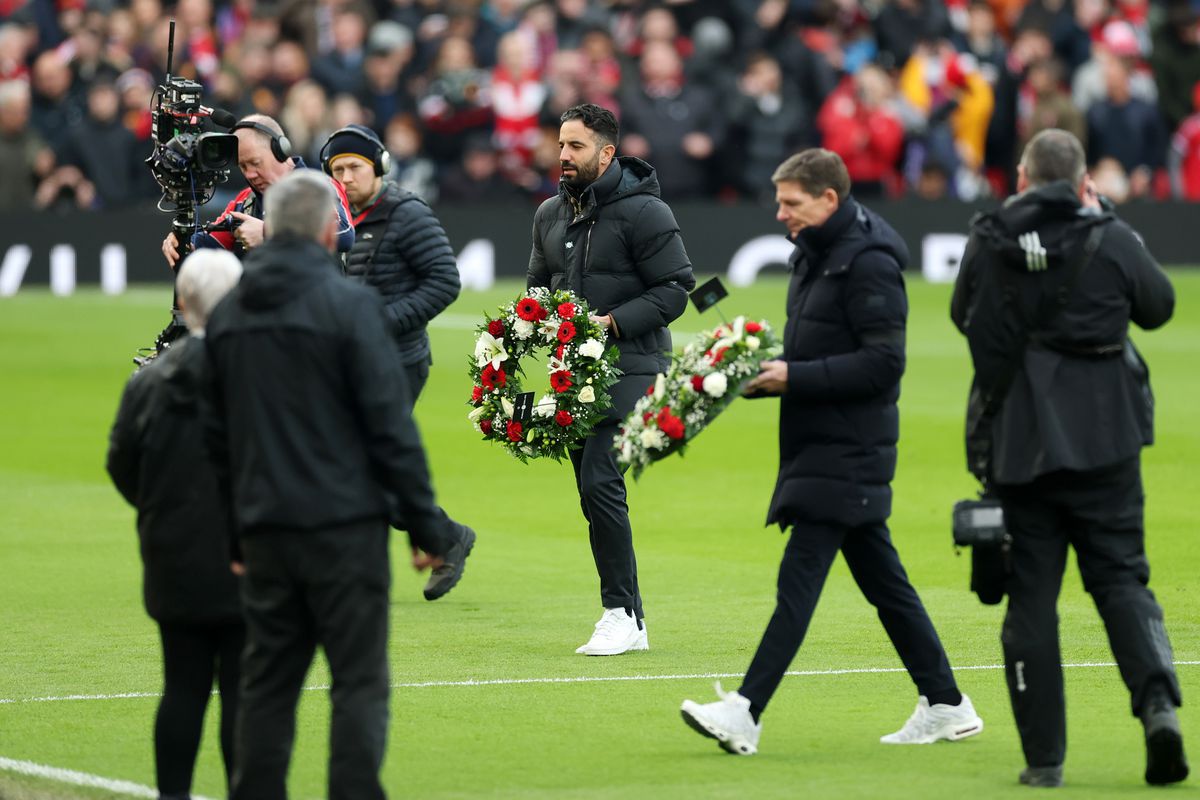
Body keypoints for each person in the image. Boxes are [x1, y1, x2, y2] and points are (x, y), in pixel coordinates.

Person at [680, 148, 982, 755]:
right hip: (827, 443)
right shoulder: (816, 256)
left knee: (799, 582)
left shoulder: (867, 264)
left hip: (849, 449)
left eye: (791, 203)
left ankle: (745, 711)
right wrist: (770, 374)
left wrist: (794, 377)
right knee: (887, 587)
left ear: (828, 200)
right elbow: (820, 353)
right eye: (779, 201)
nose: (780, 214)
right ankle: (946, 702)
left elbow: (883, 364)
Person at [202, 170, 464, 799]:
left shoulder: (230, 313)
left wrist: (234, 536)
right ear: (327, 230)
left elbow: (216, 440)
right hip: (345, 530)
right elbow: (389, 430)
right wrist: (428, 529)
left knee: (266, 686)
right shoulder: (350, 308)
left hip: (265, 529)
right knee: (358, 683)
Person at [951, 128, 1187, 788]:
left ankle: (1044, 760)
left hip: (1021, 446)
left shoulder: (989, 239)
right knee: (1120, 580)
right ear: (1084, 182)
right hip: (1107, 440)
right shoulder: (1108, 235)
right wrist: (1105, 220)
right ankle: (1159, 707)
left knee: (1031, 600)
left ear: (1023, 178)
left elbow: (960, 315)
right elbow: (1160, 307)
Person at [527, 102, 695, 656]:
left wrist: (612, 322)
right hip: (574, 376)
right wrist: (529, 321)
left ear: (606, 152)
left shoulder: (646, 212)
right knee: (592, 490)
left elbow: (675, 288)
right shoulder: (549, 213)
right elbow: (538, 288)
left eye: (575, 146)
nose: (563, 156)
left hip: (637, 367)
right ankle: (634, 619)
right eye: (560, 145)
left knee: (600, 479)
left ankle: (618, 612)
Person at [105, 248, 245, 800]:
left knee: (182, 686)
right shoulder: (259, 375)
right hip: (247, 553)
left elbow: (120, 461)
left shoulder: (149, 380)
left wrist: (155, 509)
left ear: (183, 304)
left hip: (172, 552)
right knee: (242, 691)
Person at [320, 122, 472, 601]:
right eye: (337, 169)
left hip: (398, 360)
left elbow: (445, 281)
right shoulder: (332, 218)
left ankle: (441, 537)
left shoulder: (408, 214)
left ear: (379, 167)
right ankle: (439, 535)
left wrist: (380, 322)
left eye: (354, 167)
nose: (346, 177)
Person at [161, 113, 354, 268]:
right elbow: (207, 244)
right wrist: (182, 241)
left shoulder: (319, 187)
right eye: (243, 166)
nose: (250, 174)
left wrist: (268, 233)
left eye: (255, 163)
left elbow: (344, 235)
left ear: (281, 150)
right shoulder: (245, 200)